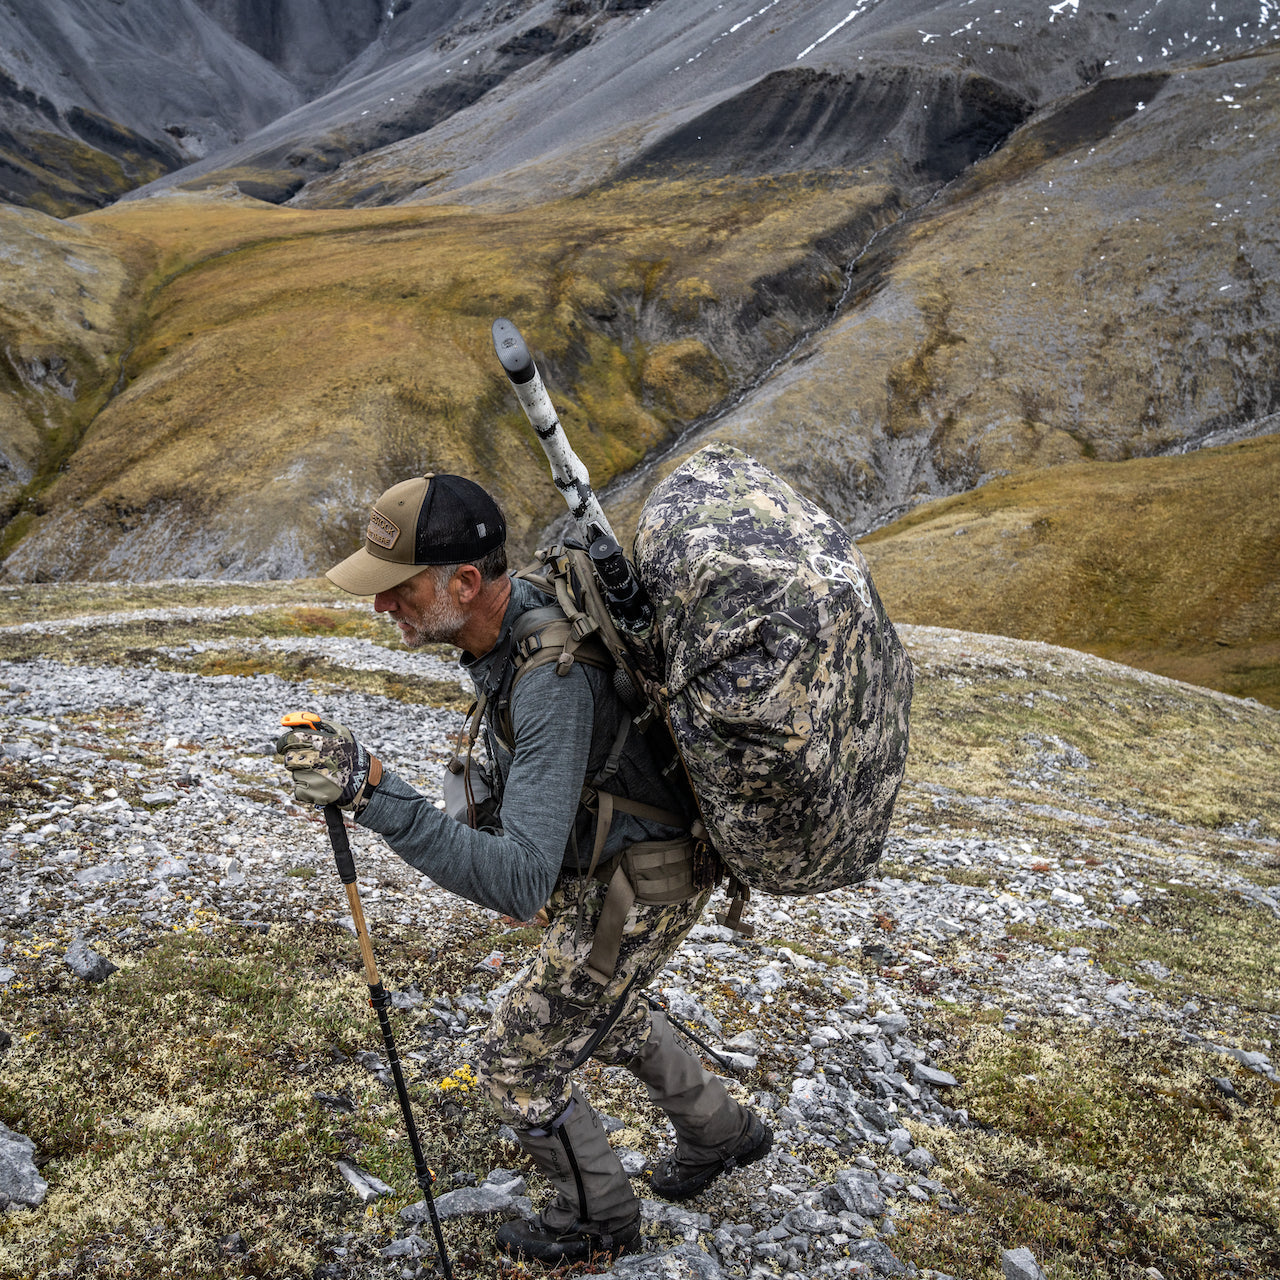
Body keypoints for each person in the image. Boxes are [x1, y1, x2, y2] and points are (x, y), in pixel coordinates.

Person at [276, 473, 772, 1265]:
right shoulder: (507, 631)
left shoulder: (551, 677)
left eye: (396, 589)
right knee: (594, 1002)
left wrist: (374, 792)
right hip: (619, 861)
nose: (380, 606)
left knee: (517, 1060)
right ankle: (725, 1133)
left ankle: (597, 1221)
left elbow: (517, 881)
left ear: (465, 583)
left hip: (645, 878)